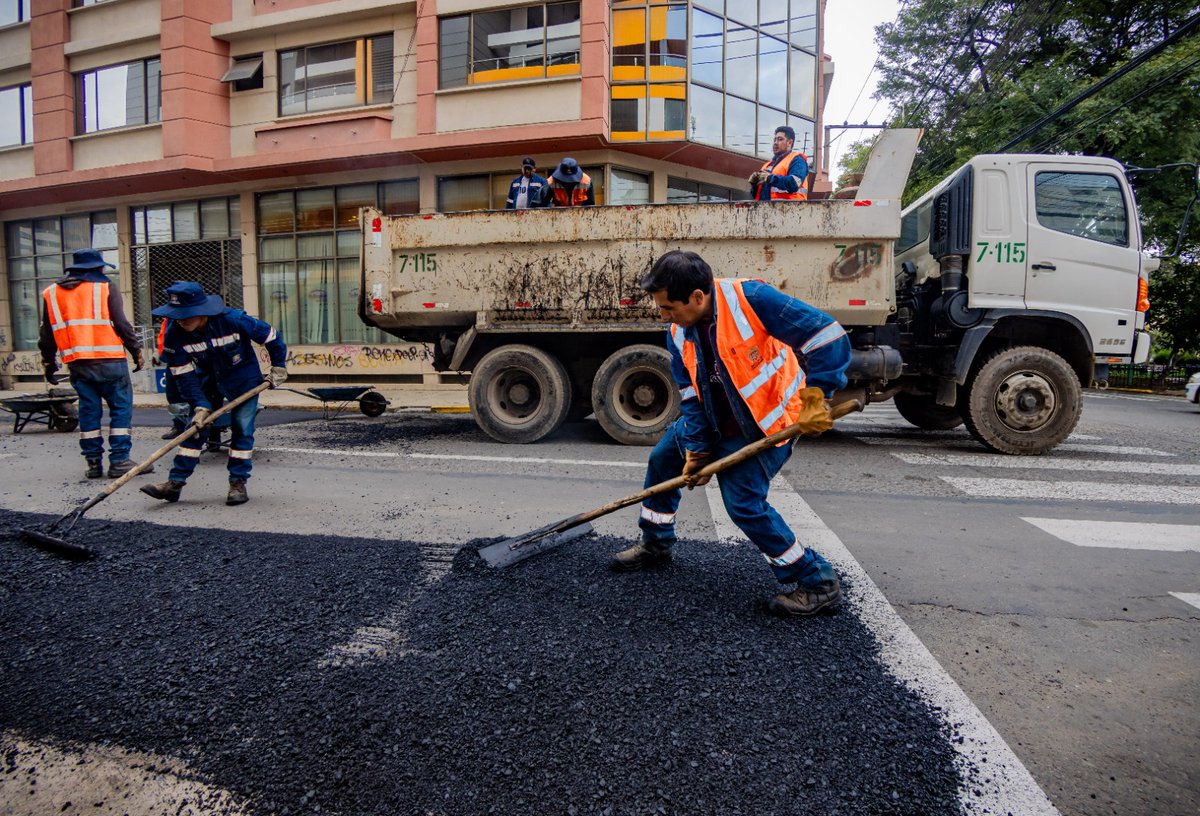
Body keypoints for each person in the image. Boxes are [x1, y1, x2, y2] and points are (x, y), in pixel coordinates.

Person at [610, 250, 851, 617]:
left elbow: (827, 336)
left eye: (668, 307)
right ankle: (655, 544)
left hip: (764, 423)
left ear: (697, 297)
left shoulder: (752, 299)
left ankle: (817, 582)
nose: (663, 316)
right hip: (711, 418)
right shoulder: (677, 332)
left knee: (743, 505)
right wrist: (697, 449)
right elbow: (690, 394)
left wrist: (817, 395)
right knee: (663, 460)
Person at [140, 281, 287, 506]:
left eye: (187, 314)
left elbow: (272, 337)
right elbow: (183, 376)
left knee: (242, 428)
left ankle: (237, 482)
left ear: (202, 311)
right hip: (206, 380)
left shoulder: (234, 320)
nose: (181, 319)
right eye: (177, 314)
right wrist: (199, 405)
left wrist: (278, 367)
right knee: (195, 429)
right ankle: (175, 484)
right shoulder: (174, 335)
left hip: (243, 380)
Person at [38, 248, 150, 480]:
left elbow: (46, 333)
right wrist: (136, 351)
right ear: (97, 269)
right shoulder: (104, 287)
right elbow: (121, 323)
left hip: (77, 363)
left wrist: (49, 362)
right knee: (120, 408)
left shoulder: (51, 293)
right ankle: (119, 460)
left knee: (89, 410)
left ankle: (93, 463)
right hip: (109, 361)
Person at [156, 315, 231, 450]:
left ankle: (213, 435)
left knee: (211, 395)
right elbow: (164, 335)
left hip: (197, 358)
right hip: (172, 357)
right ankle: (179, 426)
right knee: (175, 395)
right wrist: (160, 354)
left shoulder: (191, 317)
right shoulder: (172, 318)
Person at [749, 125, 809, 201]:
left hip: (791, 210)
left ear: (789, 142)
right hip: (767, 210)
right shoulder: (767, 165)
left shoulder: (797, 160)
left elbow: (794, 183)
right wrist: (754, 185)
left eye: (780, 139)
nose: (775, 143)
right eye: (774, 140)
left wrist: (770, 178)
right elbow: (758, 195)